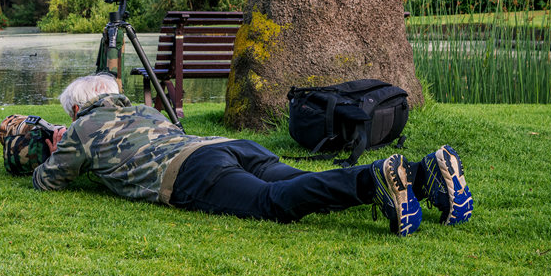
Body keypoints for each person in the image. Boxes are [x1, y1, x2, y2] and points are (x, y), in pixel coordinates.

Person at [32, 74, 473, 236]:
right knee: (293, 180)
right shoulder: (143, 109)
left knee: (273, 203)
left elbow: (49, 180)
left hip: (192, 172)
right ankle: (421, 173)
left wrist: (52, 150)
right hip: (226, 147)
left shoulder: (81, 128)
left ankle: (373, 177)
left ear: (75, 108)